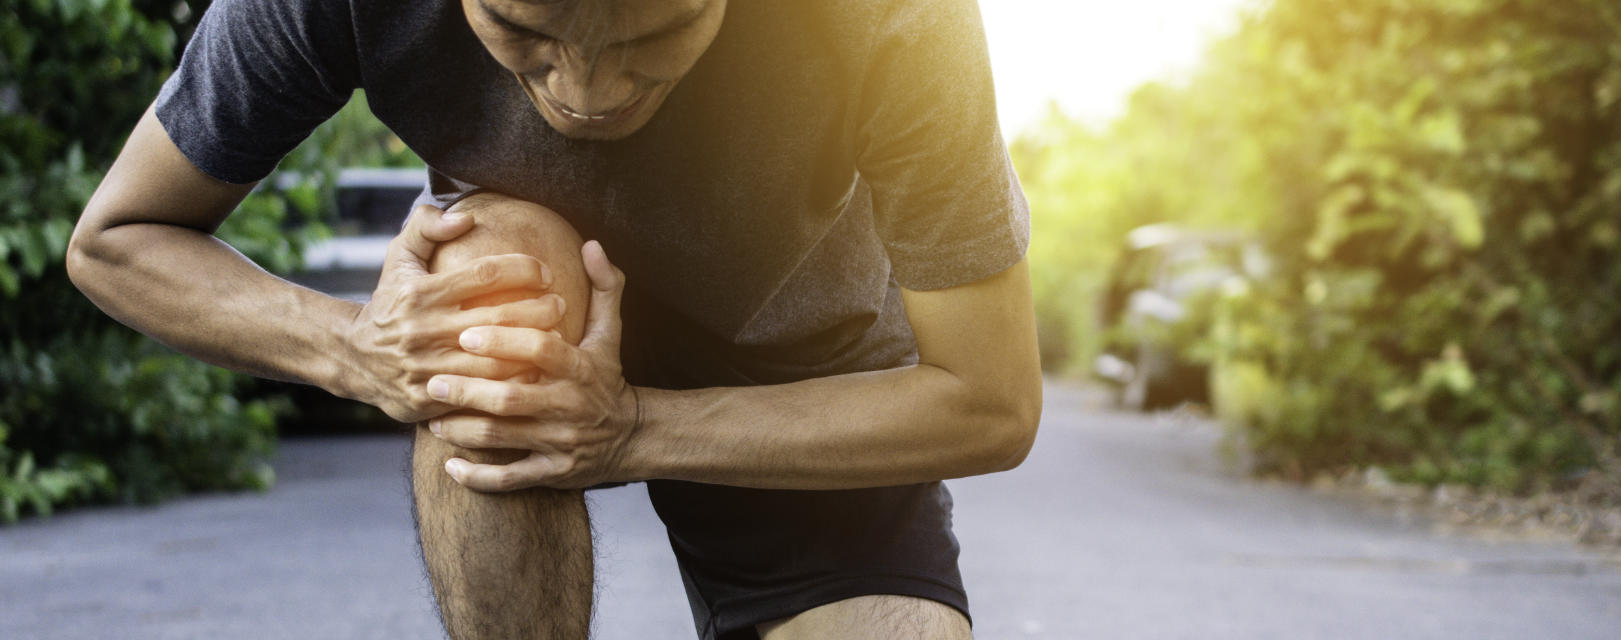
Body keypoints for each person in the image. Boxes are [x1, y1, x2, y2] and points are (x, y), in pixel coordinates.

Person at [65, 0, 1041, 638]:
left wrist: (633, 429)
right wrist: (358, 349)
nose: (585, 92)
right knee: (491, 283)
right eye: (519, 26)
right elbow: (116, 238)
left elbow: (990, 401)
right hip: (527, 332)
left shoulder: (895, 19)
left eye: (652, 36)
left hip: (809, 379)